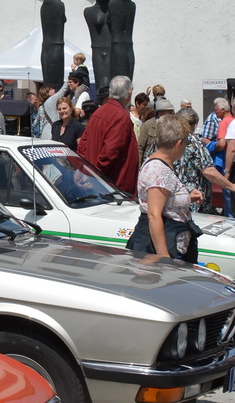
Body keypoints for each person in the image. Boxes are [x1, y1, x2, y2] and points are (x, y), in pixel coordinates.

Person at [128, 112, 202, 263]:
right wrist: (163, 256)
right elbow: (154, 214)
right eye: (186, 143)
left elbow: (165, 199)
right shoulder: (159, 170)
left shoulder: (160, 165)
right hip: (162, 248)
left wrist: (187, 197)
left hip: (173, 242)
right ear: (178, 144)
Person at [77, 75, 140, 194]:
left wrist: (86, 171)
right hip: (113, 185)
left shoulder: (98, 112)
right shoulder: (121, 116)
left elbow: (83, 145)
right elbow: (110, 152)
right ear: (129, 92)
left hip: (98, 181)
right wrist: (96, 175)